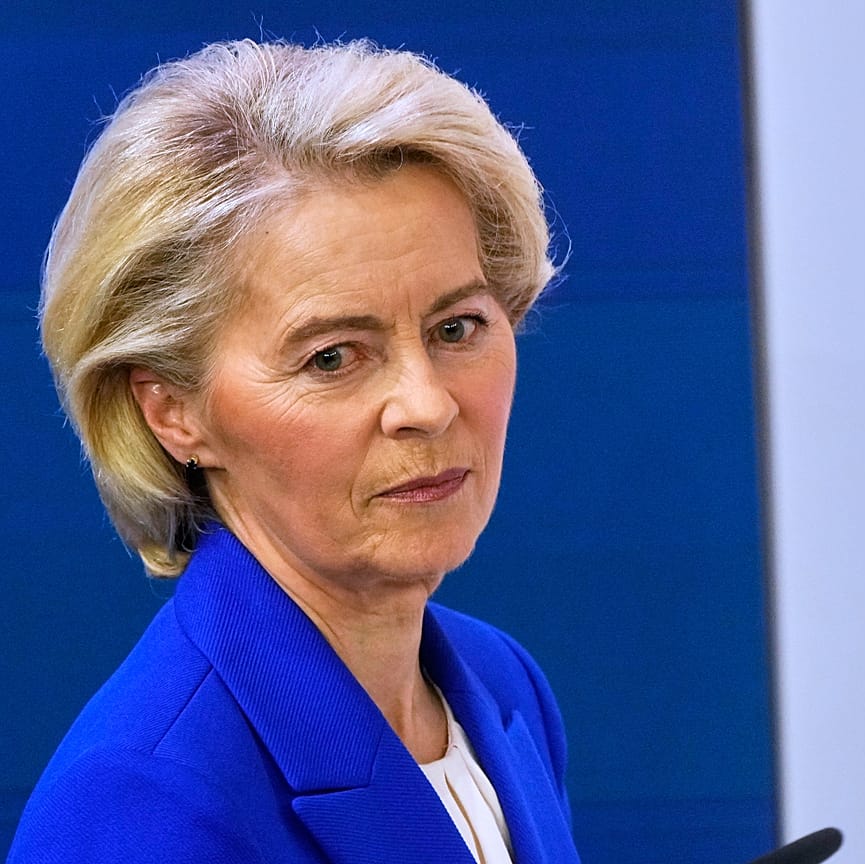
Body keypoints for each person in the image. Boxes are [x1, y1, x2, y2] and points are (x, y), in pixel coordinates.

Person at [7, 39, 579, 864]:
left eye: (458, 329)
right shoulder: (143, 802)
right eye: (333, 357)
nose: (426, 404)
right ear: (172, 411)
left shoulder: (502, 683)